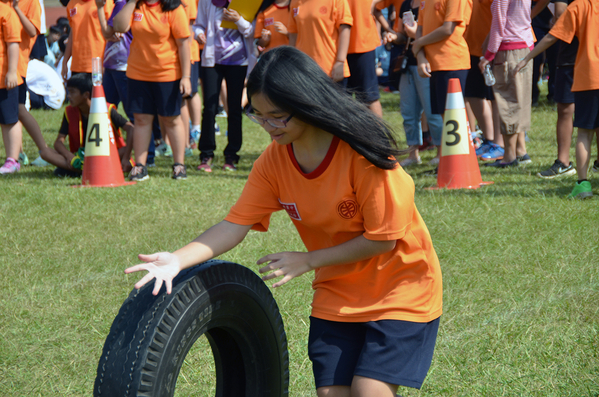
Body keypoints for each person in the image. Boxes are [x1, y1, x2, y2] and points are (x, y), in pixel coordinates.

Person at [124, 46, 442, 397]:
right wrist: (177, 259)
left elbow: (383, 239)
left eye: (278, 116)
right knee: (330, 393)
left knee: (369, 390)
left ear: (306, 104)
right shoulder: (273, 163)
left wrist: (308, 260)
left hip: (401, 287)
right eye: (259, 116)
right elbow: (234, 225)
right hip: (338, 292)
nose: (268, 126)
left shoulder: (362, 154)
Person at [515, 0, 599, 198]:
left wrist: (527, 58)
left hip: (588, 76)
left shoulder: (578, 6)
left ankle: (583, 184)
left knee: (585, 133)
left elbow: (552, 36)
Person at [113, 0, 191, 181]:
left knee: (170, 119)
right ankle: (140, 166)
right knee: (141, 119)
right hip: (137, 73)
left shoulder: (174, 8)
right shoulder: (136, 6)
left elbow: (183, 45)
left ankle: (179, 165)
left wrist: (186, 77)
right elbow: (119, 26)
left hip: (168, 74)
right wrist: (131, 1)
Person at [376, 0, 444, 167]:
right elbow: (402, 34)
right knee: (408, 113)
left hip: (428, 63)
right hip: (408, 65)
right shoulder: (406, 5)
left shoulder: (430, 4)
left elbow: (437, 31)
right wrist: (393, 35)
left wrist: (417, 37)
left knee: (432, 113)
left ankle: (441, 153)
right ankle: (413, 153)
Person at [193, 0, 256, 172]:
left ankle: (231, 155)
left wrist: (238, 19)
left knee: (234, 109)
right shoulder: (207, 2)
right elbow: (197, 25)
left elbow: (251, 31)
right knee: (210, 108)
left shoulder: (244, 3)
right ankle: (206, 154)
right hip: (212, 60)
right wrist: (198, 34)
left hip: (238, 61)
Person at [479, 0, 534, 168]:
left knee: (507, 100)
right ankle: (521, 151)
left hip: (509, 49)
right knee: (520, 100)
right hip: (525, 45)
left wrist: (488, 56)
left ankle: (509, 156)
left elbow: (499, 24)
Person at [51, 73, 134, 177]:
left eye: (72, 92)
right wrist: (70, 157)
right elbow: (58, 142)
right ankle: (85, 169)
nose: (69, 96)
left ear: (86, 94)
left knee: (125, 150)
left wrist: (126, 158)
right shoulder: (69, 112)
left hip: (108, 156)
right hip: (81, 157)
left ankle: (84, 170)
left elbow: (131, 129)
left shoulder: (107, 109)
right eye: (69, 92)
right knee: (46, 153)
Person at [412, 0, 472, 116]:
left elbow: (448, 29)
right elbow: (420, 29)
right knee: (445, 117)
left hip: (452, 63)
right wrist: (420, 57)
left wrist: (419, 43)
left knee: (454, 117)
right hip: (433, 65)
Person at [288, 0, 353, 83]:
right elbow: (293, 34)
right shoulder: (295, 2)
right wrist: (291, 62)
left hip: (331, 70)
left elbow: (345, 30)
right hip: (304, 69)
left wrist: (340, 61)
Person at [345, 0, 383, 116]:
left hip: (361, 40)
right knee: (340, 99)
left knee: (369, 96)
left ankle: (378, 134)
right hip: (332, 43)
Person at [63, 0, 113, 79]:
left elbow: (110, 34)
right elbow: (73, 33)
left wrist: (106, 62)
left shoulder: (105, 2)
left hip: (98, 64)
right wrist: (65, 60)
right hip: (77, 65)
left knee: (96, 91)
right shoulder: (72, 3)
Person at [0, 2, 22, 174]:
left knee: (9, 119)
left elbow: (13, 43)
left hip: (3, 80)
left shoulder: (6, 12)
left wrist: (12, 71)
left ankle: (12, 160)